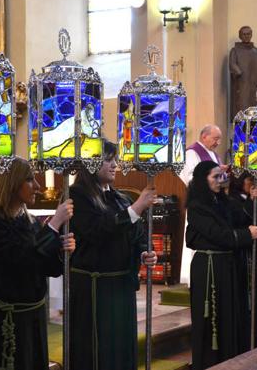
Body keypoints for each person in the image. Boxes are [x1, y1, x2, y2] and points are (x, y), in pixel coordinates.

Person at [0, 158, 75, 370]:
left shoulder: (28, 221)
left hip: (33, 318)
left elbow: (49, 268)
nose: (37, 187)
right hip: (6, 319)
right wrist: (54, 225)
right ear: (10, 184)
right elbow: (20, 260)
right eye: (29, 180)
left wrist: (62, 251)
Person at [69, 140, 157, 370]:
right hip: (96, 289)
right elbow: (97, 231)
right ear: (91, 162)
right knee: (101, 351)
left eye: (115, 159)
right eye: (108, 159)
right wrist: (137, 209)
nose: (114, 165)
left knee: (121, 347)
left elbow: (137, 235)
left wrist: (144, 253)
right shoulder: (77, 196)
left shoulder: (121, 197)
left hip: (120, 287)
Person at [186, 161, 257, 369]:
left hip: (225, 264)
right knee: (212, 320)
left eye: (221, 176)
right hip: (209, 266)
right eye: (215, 176)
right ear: (202, 180)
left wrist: (251, 201)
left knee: (229, 317)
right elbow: (219, 235)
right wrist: (246, 235)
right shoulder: (197, 206)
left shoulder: (221, 201)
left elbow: (240, 219)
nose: (220, 180)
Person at [178, 124, 228, 285]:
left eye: (219, 139)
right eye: (215, 138)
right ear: (204, 136)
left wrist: (224, 173)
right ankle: (195, 279)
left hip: (214, 204)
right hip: (199, 204)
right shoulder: (192, 153)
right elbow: (191, 177)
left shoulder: (213, 155)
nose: (218, 142)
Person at [229, 26, 257, 119]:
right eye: (244, 34)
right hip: (242, 85)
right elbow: (232, 64)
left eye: (248, 34)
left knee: (254, 108)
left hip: (254, 86)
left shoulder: (256, 52)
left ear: (251, 35)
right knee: (242, 109)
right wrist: (238, 72)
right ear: (240, 36)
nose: (246, 36)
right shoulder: (235, 50)